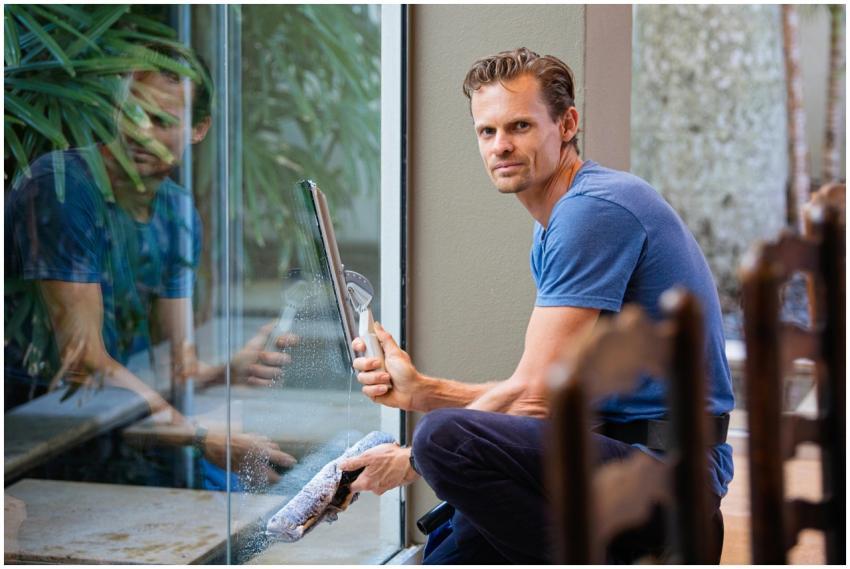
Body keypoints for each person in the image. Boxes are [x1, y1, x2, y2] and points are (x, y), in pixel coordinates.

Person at [339, 47, 734, 563]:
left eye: (520, 126)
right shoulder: (558, 220)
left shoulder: (593, 210)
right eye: (487, 131)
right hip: (616, 458)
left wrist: (410, 460)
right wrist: (424, 392)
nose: (501, 146)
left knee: (442, 443)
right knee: (445, 550)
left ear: (567, 124)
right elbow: (553, 392)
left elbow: (535, 398)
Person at [4, 44, 295, 486]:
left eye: (160, 121)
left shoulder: (177, 209)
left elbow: (174, 363)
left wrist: (226, 371)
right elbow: (83, 363)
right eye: (130, 114)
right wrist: (199, 435)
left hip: (138, 422)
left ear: (199, 129)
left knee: (274, 501)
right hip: (52, 430)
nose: (140, 133)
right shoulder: (62, 187)